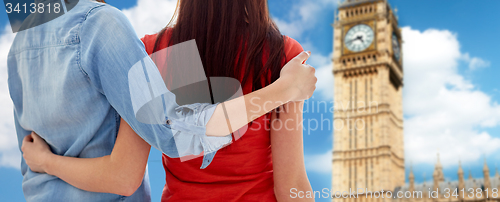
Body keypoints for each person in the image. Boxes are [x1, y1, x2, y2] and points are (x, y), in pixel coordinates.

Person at [11, 0, 316, 201]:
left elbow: (122, 174)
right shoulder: (281, 58)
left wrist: (46, 162)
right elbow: (291, 188)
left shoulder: (155, 50)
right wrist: (286, 88)